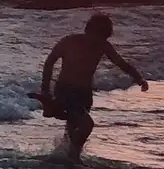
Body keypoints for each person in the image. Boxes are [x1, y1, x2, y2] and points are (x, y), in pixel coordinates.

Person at [40, 12, 148, 161]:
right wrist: (45, 90)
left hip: (84, 93)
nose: (98, 41)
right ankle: (73, 157)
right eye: (97, 35)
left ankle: (64, 160)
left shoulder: (103, 46)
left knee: (72, 129)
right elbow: (49, 62)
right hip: (65, 90)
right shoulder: (69, 41)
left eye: (103, 37)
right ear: (88, 30)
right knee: (86, 125)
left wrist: (139, 79)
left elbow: (121, 63)